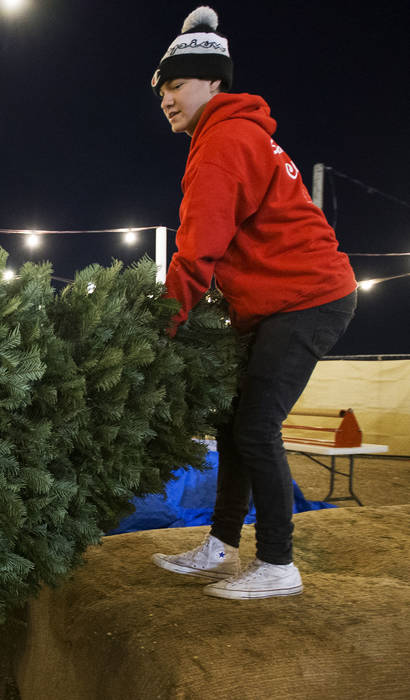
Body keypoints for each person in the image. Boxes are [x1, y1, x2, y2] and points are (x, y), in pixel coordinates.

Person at [147, 7, 358, 599]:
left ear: (215, 82)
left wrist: (159, 327)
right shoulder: (231, 136)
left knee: (256, 425)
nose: (167, 98)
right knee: (232, 423)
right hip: (276, 303)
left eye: (178, 84)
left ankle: (278, 564)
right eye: (162, 89)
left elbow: (196, 251)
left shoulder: (223, 143)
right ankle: (221, 544)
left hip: (308, 298)